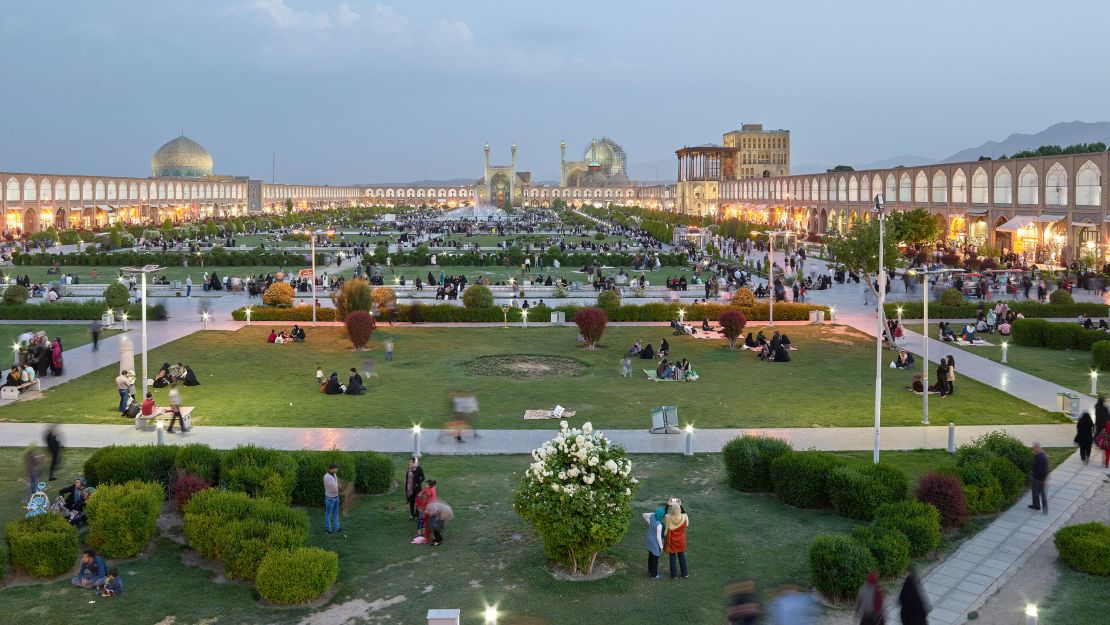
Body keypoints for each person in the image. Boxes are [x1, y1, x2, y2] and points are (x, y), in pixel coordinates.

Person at [664, 502, 689, 579]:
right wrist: (680, 504)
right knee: (681, 556)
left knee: (672, 557)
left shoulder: (668, 517)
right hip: (681, 541)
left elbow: (664, 514)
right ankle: (685, 574)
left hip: (672, 541)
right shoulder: (684, 517)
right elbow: (686, 522)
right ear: (679, 510)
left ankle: (674, 575)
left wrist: (667, 505)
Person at [643, 506, 665, 579]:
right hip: (655, 541)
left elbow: (644, 514)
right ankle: (654, 574)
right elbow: (658, 538)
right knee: (655, 557)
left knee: (650, 555)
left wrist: (650, 523)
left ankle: (650, 570)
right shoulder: (659, 525)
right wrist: (661, 547)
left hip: (649, 538)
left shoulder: (652, 515)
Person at [1028, 441, 1048, 513]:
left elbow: (1040, 470)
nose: (1033, 450)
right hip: (1041, 479)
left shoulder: (1040, 458)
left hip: (1038, 479)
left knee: (1036, 492)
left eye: (1034, 449)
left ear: (1038, 448)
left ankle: (1037, 506)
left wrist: (1036, 478)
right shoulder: (1042, 455)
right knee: (1041, 493)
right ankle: (1043, 507)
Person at [323, 463, 341, 534]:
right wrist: (343, 490)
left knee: (336, 513)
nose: (337, 469)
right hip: (330, 498)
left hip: (336, 497)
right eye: (336, 468)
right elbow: (332, 489)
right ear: (333, 468)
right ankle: (329, 529)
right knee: (328, 514)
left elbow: (336, 484)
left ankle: (337, 528)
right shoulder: (327, 477)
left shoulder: (334, 475)